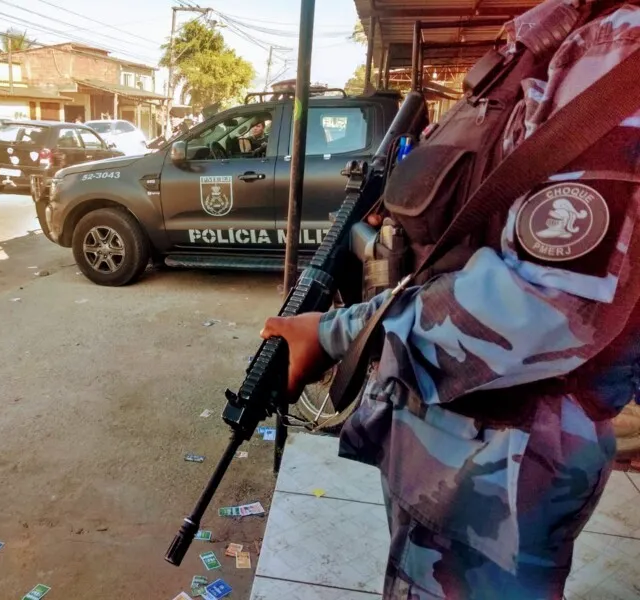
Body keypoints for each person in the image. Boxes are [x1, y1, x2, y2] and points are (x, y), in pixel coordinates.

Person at [261, 1, 640, 598]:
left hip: (501, 467)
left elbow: (540, 307)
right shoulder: (560, 33)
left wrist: (339, 333)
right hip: (456, 451)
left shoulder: (619, 49)